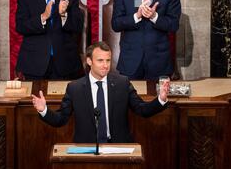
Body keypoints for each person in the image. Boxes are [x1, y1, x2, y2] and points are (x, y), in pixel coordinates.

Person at [31, 41, 170, 143]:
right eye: (100, 60)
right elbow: (60, 119)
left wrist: (161, 99)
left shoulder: (122, 83)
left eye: (108, 60)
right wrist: (44, 110)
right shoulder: (75, 88)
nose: (105, 65)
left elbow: (142, 109)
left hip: (118, 148)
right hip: (86, 149)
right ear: (89, 61)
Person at [112, 0, 181, 80]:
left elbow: (174, 25)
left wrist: (154, 17)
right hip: (130, 60)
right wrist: (136, 16)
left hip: (159, 62)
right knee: (128, 100)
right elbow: (115, 24)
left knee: (158, 100)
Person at [15, 0, 84, 80]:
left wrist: (64, 15)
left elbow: (78, 27)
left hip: (65, 63)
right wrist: (43, 16)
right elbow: (20, 26)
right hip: (34, 63)